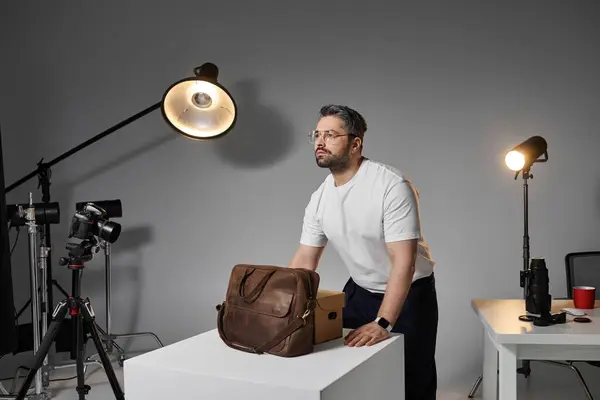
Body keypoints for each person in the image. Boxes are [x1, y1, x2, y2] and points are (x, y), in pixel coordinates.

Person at [288, 104, 438, 400]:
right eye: (316, 135)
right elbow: (305, 261)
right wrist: (275, 304)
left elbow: (403, 263)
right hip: (359, 292)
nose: (320, 141)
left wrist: (383, 322)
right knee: (349, 373)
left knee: (412, 381)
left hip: (409, 295)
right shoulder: (319, 199)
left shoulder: (391, 185)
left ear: (356, 143)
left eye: (330, 134)